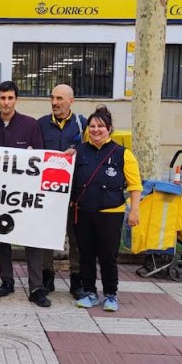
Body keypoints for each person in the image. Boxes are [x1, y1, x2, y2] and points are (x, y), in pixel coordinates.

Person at [0, 81, 51, 308]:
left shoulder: (30, 125)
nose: (6, 102)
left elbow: (40, 158)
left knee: (31, 239)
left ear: (16, 99)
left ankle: (36, 287)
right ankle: (7, 280)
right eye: (2, 98)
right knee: (3, 237)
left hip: (25, 193)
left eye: (10, 98)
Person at [71, 105, 141, 312]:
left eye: (100, 126)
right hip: (83, 212)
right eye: (92, 126)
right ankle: (90, 292)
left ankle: (110, 294)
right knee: (86, 254)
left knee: (108, 256)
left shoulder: (122, 154)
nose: (95, 130)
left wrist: (134, 210)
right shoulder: (79, 152)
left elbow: (135, 186)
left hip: (111, 214)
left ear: (109, 129)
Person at [38, 83, 87, 299]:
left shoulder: (83, 125)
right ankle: (46, 276)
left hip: (75, 192)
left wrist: (77, 151)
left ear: (71, 101)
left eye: (60, 98)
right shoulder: (40, 125)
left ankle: (77, 280)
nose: (55, 102)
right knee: (46, 234)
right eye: (52, 98)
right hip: (47, 192)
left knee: (76, 238)